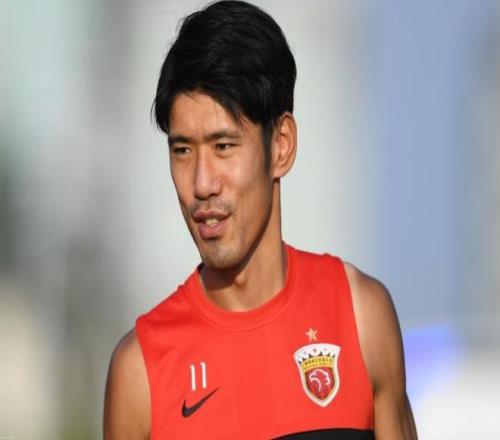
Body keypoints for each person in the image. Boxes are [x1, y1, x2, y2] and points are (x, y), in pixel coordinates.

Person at [104, 1, 418, 438]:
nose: (202, 184)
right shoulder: (140, 371)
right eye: (183, 150)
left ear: (281, 146)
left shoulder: (362, 317)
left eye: (224, 146)